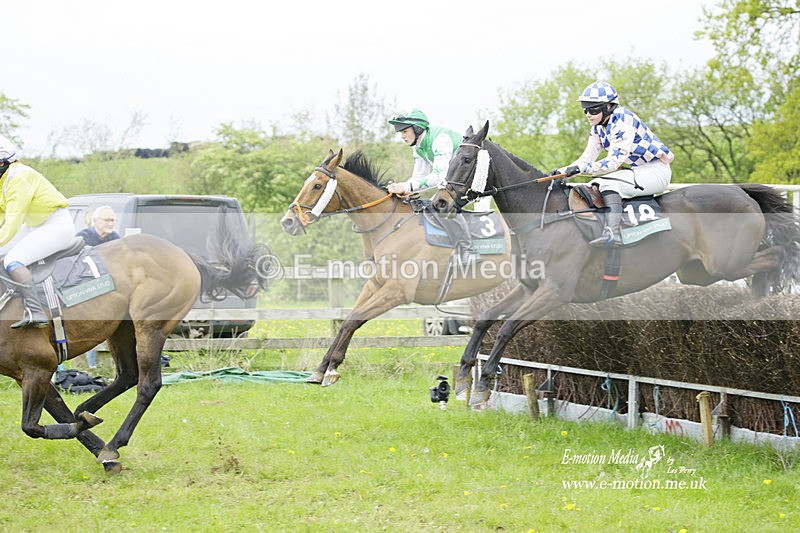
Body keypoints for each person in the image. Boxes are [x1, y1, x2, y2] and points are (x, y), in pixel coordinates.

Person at [555, 81, 674, 247]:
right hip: (637, 171)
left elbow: (612, 162)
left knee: (607, 183)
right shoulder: (598, 127)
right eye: (585, 109)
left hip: (656, 172)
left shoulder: (622, 121)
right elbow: (586, 159)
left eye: (594, 109)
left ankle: (613, 232)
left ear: (609, 106)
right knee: (592, 186)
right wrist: (560, 172)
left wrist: (581, 169)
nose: (588, 114)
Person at [387, 109, 481, 266]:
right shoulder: (418, 147)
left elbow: (439, 177)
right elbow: (418, 178)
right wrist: (402, 188)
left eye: (404, 131)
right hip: (456, 182)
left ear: (417, 128)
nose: (402, 136)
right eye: (400, 132)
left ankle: (468, 251)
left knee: (441, 204)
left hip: (474, 180)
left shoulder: (440, 140)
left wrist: (405, 186)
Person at [0, 136, 74, 328]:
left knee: (12, 260)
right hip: (37, 225)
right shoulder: (3, 179)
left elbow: (13, 222)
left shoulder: (19, 177)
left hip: (56, 225)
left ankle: (36, 311)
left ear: (2, 162)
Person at [75, 206, 120, 369]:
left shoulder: (115, 238)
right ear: (95, 221)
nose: (111, 223)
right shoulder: (83, 237)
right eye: (107, 220)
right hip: (85, 287)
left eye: (113, 220)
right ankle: (91, 366)